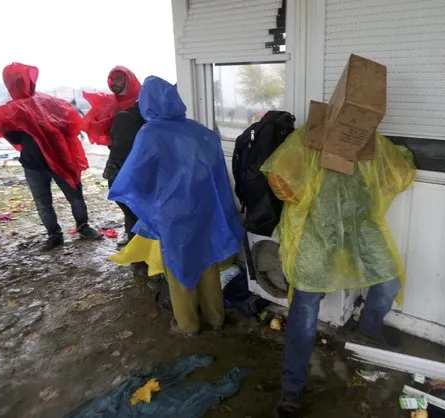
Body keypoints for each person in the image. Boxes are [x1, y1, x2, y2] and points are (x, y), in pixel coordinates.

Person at [262, 127, 415, 418]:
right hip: (316, 228)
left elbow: (400, 168)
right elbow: (277, 175)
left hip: (359, 224)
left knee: (388, 281)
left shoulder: (367, 139)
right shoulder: (310, 137)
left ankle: (366, 334)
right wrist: (302, 197)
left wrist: (386, 176)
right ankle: (291, 387)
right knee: (305, 308)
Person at [108, 76, 244, 335]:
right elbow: (217, 176)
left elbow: (135, 178)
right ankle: (216, 319)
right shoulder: (200, 131)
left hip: (173, 214)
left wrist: (149, 204)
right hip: (205, 209)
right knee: (207, 261)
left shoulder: (151, 133)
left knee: (179, 267)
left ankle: (188, 325)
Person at [0, 63, 102, 250]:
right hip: (33, 165)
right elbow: (8, 132)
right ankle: (54, 235)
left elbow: (70, 124)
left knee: (75, 196)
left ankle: (83, 226)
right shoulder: (11, 110)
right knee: (43, 203)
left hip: (60, 160)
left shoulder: (49, 103)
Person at [91, 67, 145, 246]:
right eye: (112, 80)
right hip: (119, 162)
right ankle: (133, 233)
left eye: (119, 79)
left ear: (129, 80)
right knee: (127, 204)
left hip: (137, 163)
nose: (115, 84)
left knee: (136, 206)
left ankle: (138, 241)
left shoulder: (142, 103)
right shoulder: (109, 104)